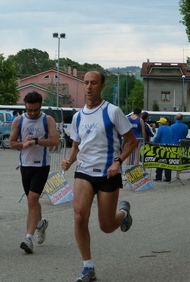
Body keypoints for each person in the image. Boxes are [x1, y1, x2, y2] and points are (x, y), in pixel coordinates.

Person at [61, 71, 138, 282]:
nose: (88, 87)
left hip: (108, 173)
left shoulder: (113, 112)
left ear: (102, 86)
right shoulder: (78, 116)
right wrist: (69, 160)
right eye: (85, 83)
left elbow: (132, 141)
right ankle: (88, 267)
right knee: (79, 217)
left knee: (106, 225)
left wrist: (118, 162)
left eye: (93, 83)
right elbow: (77, 145)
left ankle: (123, 213)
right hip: (84, 172)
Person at [9, 91, 60, 254]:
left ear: (40, 107)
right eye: (29, 110)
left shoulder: (47, 119)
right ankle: (40, 224)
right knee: (32, 202)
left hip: (42, 165)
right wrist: (22, 144)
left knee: (33, 198)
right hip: (25, 165)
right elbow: (11, 143)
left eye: (35, 110)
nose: (32, 113)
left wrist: (37, 141)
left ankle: (28, 238)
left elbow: (55, 140)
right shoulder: (19, 120)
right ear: (25, 106)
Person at [152, 117, 174, 182]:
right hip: (170, 148)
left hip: (162, 147)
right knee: (168, 163)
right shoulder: (170, 128)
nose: (158, 124)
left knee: (159, 162)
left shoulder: (161, 128)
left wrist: (153, 143)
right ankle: (168, 178)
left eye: (159, 122)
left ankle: (158, 177)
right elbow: (172, 137)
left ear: (161, 123)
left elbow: (157, 137)